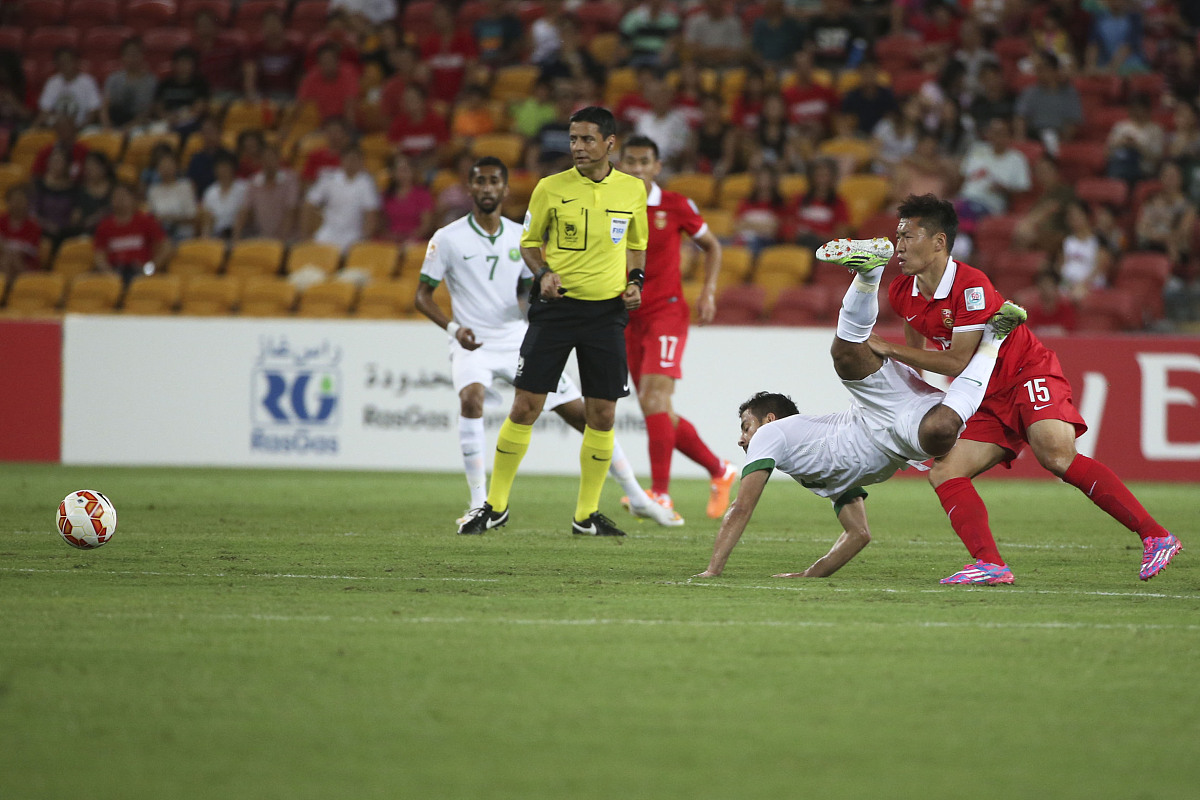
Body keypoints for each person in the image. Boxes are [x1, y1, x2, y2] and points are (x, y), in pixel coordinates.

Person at [866, 193, 1182, 583]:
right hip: (983, 393)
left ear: (938, 242)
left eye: (908, 237)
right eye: (897, 236)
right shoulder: (902, 291)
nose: (898, 246)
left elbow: (957, 360)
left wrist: (886, 347)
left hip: (1024, 372)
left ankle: (1157, 536)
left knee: (1057, 457)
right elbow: (916, 347)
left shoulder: (971, 285)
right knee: (945, 472)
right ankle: (991, 564)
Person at [694, 238, 1026, 578]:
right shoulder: (816, 470)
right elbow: (859, 534)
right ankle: (993, 340)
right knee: (941, 432)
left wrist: (712, 570)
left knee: (844, 354)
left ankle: (869, 272)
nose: (742, 439)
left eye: (746, 426)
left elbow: (741, 506)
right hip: (904, 435)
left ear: (769, 419)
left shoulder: (772, 435)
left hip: (873, 412)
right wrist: (809, 576)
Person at [415, 156, 678, 528]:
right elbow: (422, 294)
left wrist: (546, 284)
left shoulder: (513, 232)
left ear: (505, 190)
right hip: (473, 342)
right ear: (469, 187)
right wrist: (454, 328)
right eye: (480, 182)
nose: (487, 188)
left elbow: (533, 281)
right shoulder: (448, 237)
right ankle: (483, 503)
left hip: (520, 334)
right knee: (479, 400)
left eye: (494, 182)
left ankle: (630, 496)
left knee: (592, 416)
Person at [457, 106, 648, 537]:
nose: (577, 147)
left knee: (601, 414)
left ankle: (586, 515)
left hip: (606, 313)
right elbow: (528, 245)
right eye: (573, 139)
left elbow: (636, 245)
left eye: (586, 139)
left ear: (610, 143)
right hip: (556, 310)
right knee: (526, 406)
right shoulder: (550, 188)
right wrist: (543, 273)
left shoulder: (632, 191)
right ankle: (496, 504)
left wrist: (636, 281)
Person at [617, 135, 733, 523]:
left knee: (653, 402)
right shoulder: (611, 204)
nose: (636, 168)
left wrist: (708, 292)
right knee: (658, 408)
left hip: (666, 312)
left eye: (643, 161)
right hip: (627, 316)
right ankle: (720, 469)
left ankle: (661, 495)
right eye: (629, 161)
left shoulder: (675, 205)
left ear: (657, 166)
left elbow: (713, 246)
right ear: (619, 164)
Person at [302, 143, 380, 253]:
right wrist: (306, 233)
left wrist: (365, 239)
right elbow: (309, 204)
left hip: (354, 237)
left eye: (355, 159)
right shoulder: (329, 178)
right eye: (348, 159)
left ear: (361, 161)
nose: (351, 163)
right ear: (342, 160)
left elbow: (370, 213)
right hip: (327, 233)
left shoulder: (366, 182)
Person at [93, 183, 172, 283]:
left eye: (123, 195)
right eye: (116, 196)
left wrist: (150, 269)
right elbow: (99, 255)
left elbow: (166, 247)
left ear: (133, 199)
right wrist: (109, 274)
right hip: (114, 271)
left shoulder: (146, 221)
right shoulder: (104, 226)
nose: (120, 199)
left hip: (139, 272)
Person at [234, 145, 299, 241]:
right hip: (262, 237)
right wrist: (235, 237)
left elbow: (291, 210)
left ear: (278, 159)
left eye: (271, 158)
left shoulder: (290, 179)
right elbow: (245, 210)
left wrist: (283, 240)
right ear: (260, 161)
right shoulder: (253, 182)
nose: (268, 162)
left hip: (289, 238)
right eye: (265, 159)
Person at [146, 149, 198, 241]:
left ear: (176, 167)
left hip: (183, 235)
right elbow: (152, 217)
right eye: (163, 166)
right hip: (161, 236)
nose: (166, 168)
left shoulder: (185, 186)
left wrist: (170, 219)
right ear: (158, 169)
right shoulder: (153, 190)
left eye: (169, 165)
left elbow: (192, 217)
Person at [0, 185, 42, 277]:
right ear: (8, 202)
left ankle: (8, 287)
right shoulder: (1, 221)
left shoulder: (33, 225)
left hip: (26, 263)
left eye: (20, 200)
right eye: (14, 200)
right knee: (6, 258)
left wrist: (7, 245)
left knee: (12, 258)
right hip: (3, 259)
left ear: (27, 203)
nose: (17, 203)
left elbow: (29, 249)